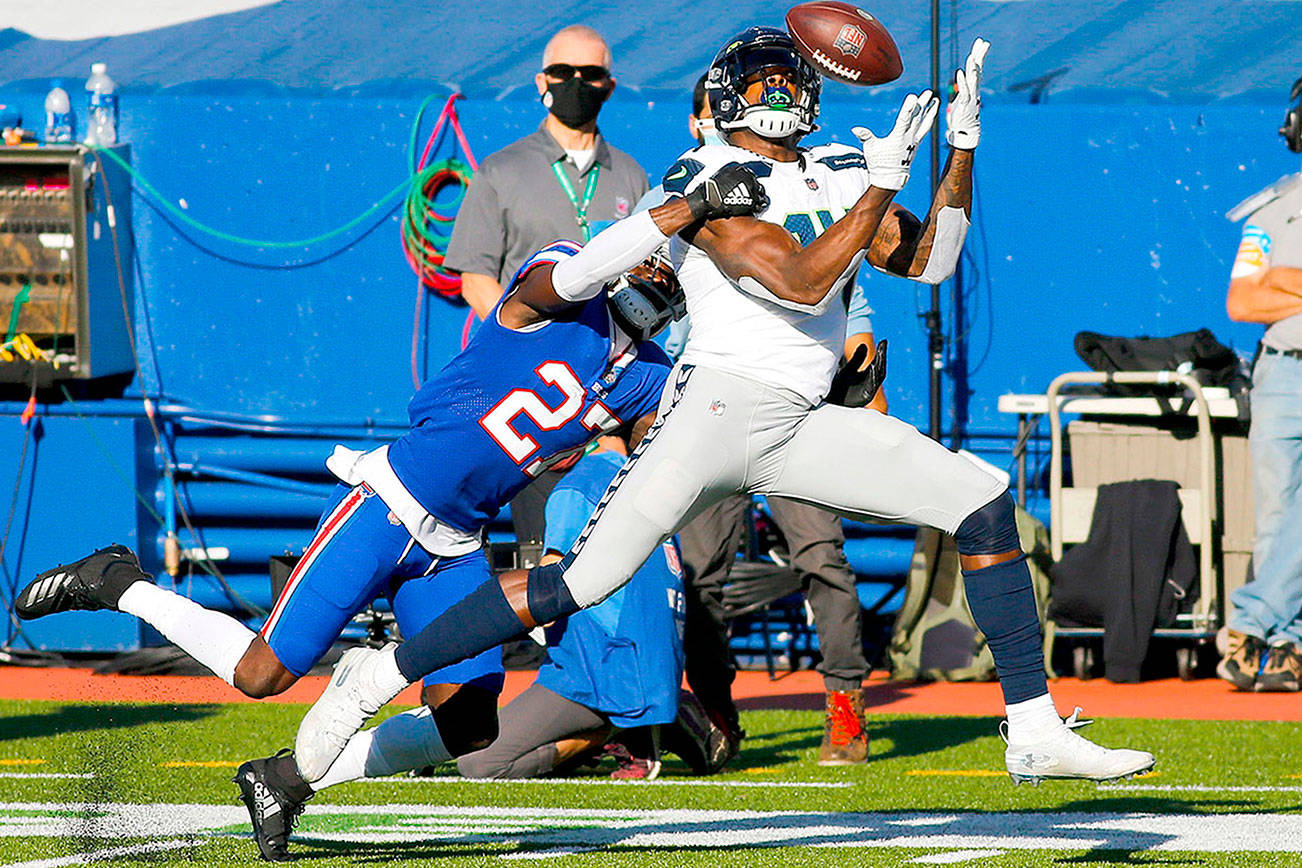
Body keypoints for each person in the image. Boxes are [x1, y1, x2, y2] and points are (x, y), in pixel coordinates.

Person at [296, 28, 1155, 788]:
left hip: (798, 420)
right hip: (710, 411)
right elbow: (798, 278)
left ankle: (1033, 728)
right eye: (762, 83)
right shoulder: (710, 174)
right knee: (579, 581)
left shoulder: (843, 167)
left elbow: (928, 260)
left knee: (981, 499)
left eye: (783, 82)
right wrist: (878, 188)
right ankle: (376, 677)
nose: (775, 95)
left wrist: (962, 152)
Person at [13, 165, 766, 861]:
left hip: (460, 544)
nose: (659, 273)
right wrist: (692, 207)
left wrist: (825, 391)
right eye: (656, 254)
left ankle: (288, 778)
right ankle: (115, 579)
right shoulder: (561, 292)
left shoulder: (647, 375)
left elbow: (700, 425)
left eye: (678, 268)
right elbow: (575, 273)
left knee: (471, 723)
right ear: (632, 239)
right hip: (388, 506)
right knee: (261, 674)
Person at [670, 73, 889, 767]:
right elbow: (640, 294)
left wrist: (858, 359)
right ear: (701, 120)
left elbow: (844, 290)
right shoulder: (681, 191)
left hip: (799, 397)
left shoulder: (808, 182)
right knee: (701, 569)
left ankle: (846, 704)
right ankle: (715, 707)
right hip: (710, 399)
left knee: (821, 553)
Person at [444, 24, 652, 564]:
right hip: (525, 381)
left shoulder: (631, 176)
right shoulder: (501, 171)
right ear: (542, 81)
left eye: (591, 75)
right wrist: (533, 339)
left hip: (606, 382)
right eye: (564, 73)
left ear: (609, 85)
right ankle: (518, 640)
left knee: (600, 532)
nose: (576, 84)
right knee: (530, 536)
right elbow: (476, 280)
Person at [456, 434, 697, 781]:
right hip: (657, 667)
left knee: (480, 763)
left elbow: (545, 592)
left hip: (602, 669)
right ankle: (652, 718)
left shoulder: (577, 487)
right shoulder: (655, 480)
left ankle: (608, 732)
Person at [1217, 77, 1302, 693]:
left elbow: (1268, 290)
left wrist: (1288, 283)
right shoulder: (1274, 205)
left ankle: (1254, 626)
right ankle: (1280, 648)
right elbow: (1244, 300)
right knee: (1276, 517)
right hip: (1283, 370)